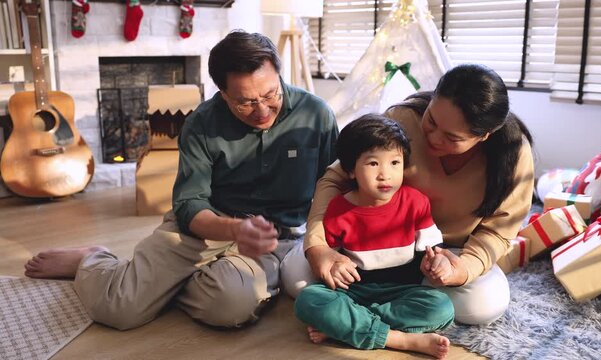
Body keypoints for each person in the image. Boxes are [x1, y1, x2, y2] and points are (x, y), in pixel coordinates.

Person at [24, 30, 338, 330]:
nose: (261, 110)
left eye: (271, 94)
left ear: (279, 77)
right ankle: (93, 260)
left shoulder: (316, 115)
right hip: (203, 227)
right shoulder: (202, 122)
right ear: (223, 94)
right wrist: (234, 228)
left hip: (269, 241)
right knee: (118, 308)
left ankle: (157, 284)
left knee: (229, 307)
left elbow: (335, 187)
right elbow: (190, 205)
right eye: (245, 102)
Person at [303, 63, 535, 325]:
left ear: (484, 136)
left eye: (451, 137)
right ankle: (386, 313)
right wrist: (318, 246)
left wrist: (462, 269)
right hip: (367, 246)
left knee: (484, 305)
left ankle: (355, 316)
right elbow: (337, 176)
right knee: (296, 276)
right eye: (432, 121)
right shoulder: (402, 119)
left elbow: (498, 231)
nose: (434, 138)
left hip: (449, 254)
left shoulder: (513, 154)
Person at [294, 114, 454, 358]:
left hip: (401, 292)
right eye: (372, 164)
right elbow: (329, 259)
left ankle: (345, 327)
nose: (385, 174)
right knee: (309, 300)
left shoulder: (416, 203)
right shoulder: (339, 208)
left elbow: (434, 251)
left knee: (441, 307)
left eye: (394, 163)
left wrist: (437, 262)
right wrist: (334, 267)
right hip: (353, 292)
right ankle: (400, 340)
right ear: (350, 170)